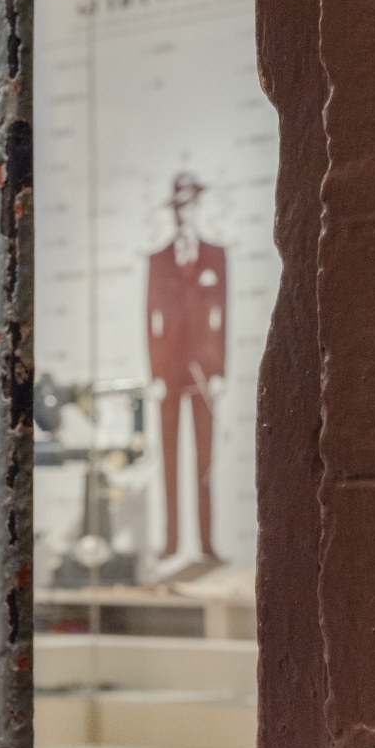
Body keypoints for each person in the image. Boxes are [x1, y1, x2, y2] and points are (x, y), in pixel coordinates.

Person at [146, 170, 226, 566]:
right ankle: (172, 542)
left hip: (204, 374)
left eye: (190, 203)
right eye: (179, 205)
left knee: (204, 460)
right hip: (169, 372)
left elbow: (222, 316)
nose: (184, 212)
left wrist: (220, 370)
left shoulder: (215, 256)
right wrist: (155, 375)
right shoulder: (158, 259)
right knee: (171, 459)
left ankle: (206, 543)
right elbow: (151, 319)